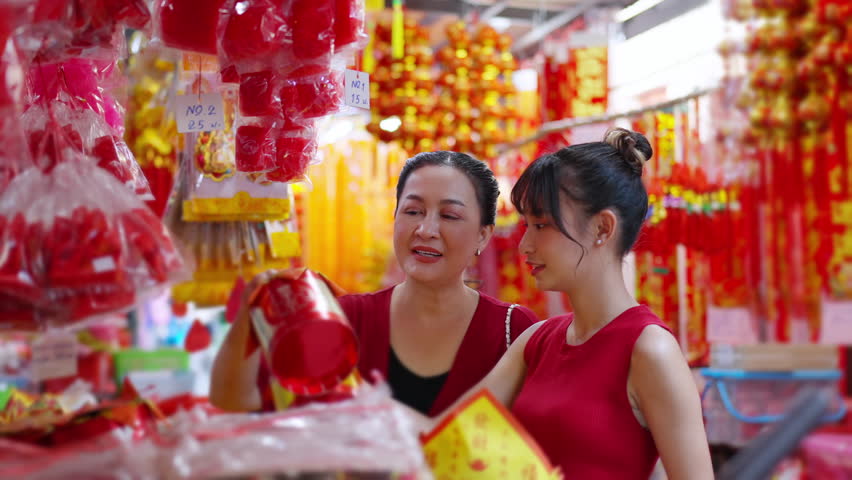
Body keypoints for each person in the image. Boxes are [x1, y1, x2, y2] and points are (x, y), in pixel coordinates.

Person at [426, 129, 713, 479]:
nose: (525, 245)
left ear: (602, 228)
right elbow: (446, 437)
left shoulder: (650, 350)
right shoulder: (537, 340)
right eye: (526, 225)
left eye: (542, 224)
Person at [209, 151, 539, 416]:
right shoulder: (345, 318)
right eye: (412, 211)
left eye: (449, 216)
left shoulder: (514, 330)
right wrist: (250, 313)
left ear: (483, 234)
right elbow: (238, 401)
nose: (426, 229)